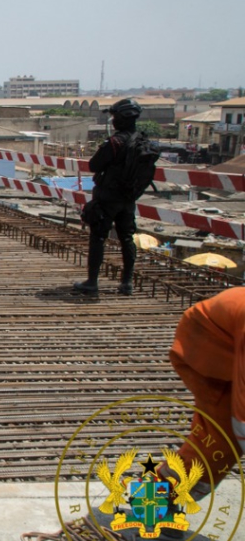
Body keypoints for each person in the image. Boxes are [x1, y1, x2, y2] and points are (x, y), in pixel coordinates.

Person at [157, 286, 245, 497]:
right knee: (218, 442)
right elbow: (242, 418)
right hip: (207, 346)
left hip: (229, 334)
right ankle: (152, 502)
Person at [73, 98, 143, 296]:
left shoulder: (115, 142)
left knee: (98, 237)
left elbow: (94, 165)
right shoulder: (143, 141)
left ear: (120, 118)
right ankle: (127, 282)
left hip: (108, 197)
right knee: (126, 238)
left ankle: (92, 282)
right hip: (129, 197)